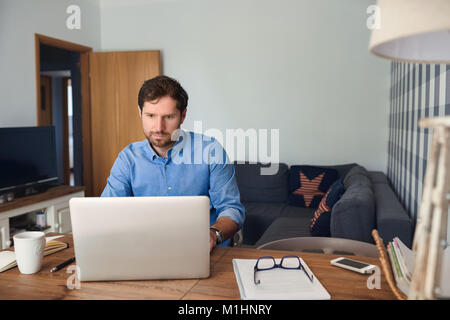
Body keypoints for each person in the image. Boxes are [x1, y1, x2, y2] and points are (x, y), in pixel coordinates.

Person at [101, 75, 245, 252]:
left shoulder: (210, 151)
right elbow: (106, 212)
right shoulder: (127, 159)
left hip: (205, 252)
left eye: (168, 117)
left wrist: (213, 234)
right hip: (143, 250)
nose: (159, 127)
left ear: (183, 115)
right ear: (140, 113)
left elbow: (231, 209)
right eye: (150, 116)